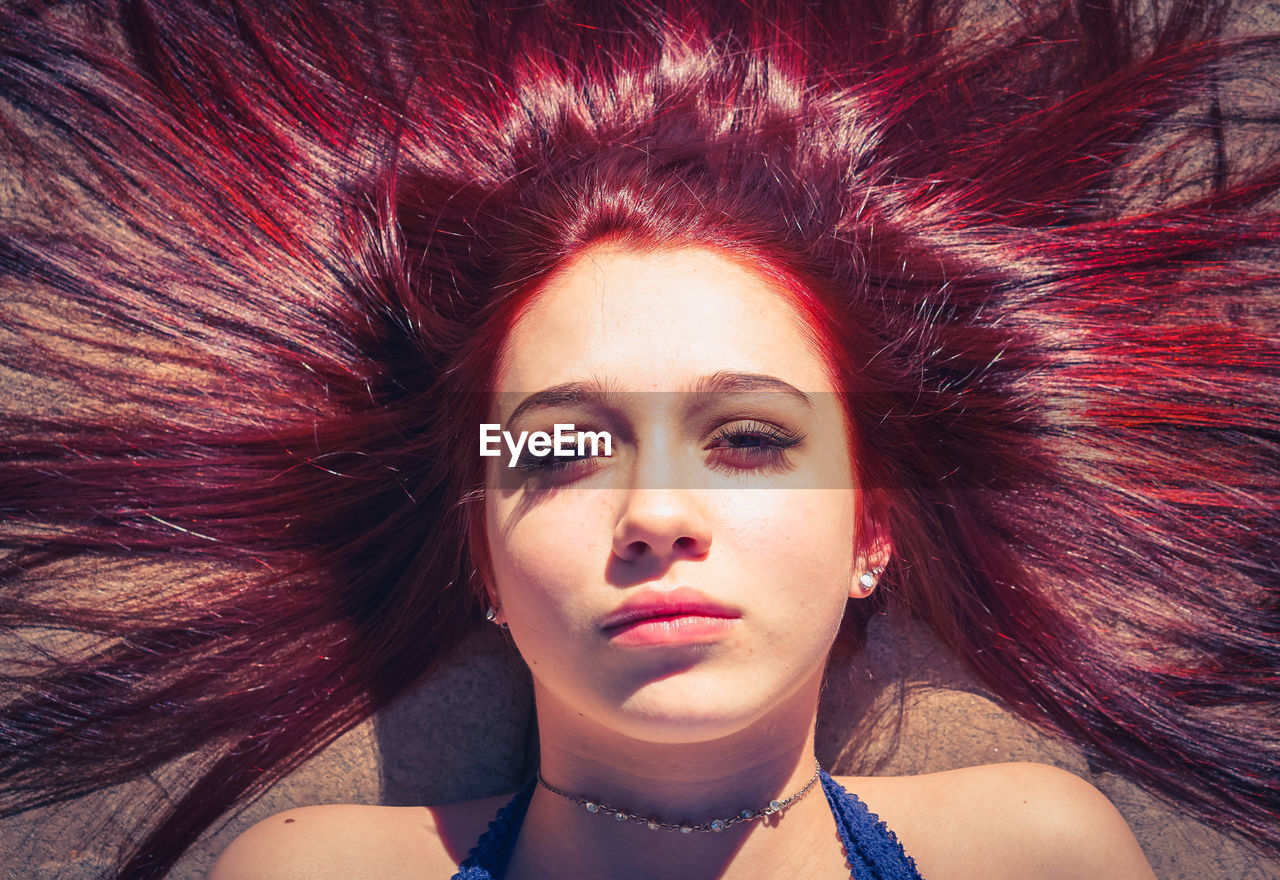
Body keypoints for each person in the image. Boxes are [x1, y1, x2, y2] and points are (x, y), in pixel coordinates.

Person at [0, 1, 1276, 878]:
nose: (656, 512)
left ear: (867, 532)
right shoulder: (315, 868)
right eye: (558, 453)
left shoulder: (1029, 850)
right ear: (484, 557)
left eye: (747, 439)